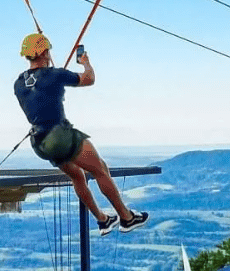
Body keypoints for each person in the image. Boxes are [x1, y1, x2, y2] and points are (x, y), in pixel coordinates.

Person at [14, 33, 149, 235]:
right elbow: (89, 79)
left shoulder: (19, 83)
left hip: (39, 142)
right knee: (100, 169)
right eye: (48, 50)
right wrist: (85, 63)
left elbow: (40, 100)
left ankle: (102, 220)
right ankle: (126, 217)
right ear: (43, 52)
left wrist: (56, 85)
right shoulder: (55, 75)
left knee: (77, 176)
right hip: (59, 135)